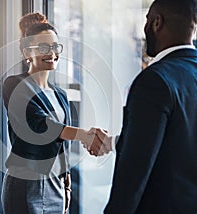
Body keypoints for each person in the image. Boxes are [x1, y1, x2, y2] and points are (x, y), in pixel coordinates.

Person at [84, 0, 197, 213]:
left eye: (146, 21)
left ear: (157, 23)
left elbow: (134, 173)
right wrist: (116, 142)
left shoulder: (155, 81)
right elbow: (179, 141)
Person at [1, 13, 108, 214]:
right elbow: (39, 125)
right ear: (26, 52)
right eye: (43, 47)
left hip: (55, 186)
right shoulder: (14, 85)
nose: (52, 53)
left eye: (55, 46)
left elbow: (61, 146)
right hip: (26, 184)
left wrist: (66, 185)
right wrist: (84, 134)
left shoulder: (60, 95)